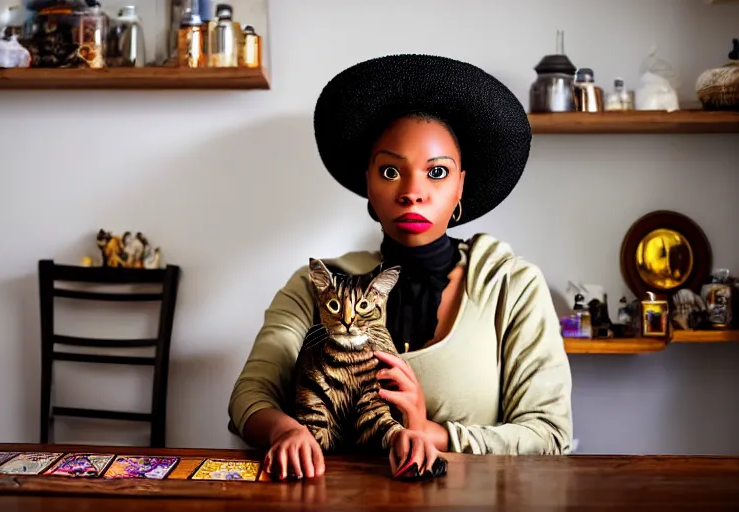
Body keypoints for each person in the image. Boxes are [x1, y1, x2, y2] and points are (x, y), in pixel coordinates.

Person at [228, 54, 573, 480]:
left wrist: (434, 433)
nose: (412, 192)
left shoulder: (512, 286)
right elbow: (250, 394)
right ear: (368, 182)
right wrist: (285, 430)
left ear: (461, 184)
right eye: (391, 171)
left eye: (437, 172)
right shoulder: (319, 285)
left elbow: (550, 435)